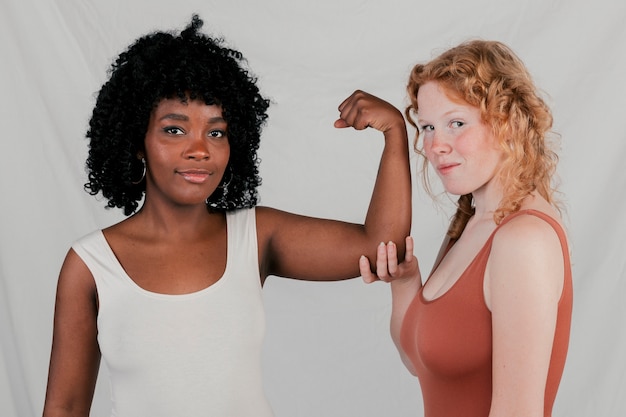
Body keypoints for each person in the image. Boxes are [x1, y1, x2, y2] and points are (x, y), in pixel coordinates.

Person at [41, 15, 411, 417]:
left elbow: (380, 248)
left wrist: (395, 133)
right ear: (136, 142)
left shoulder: (255, 236)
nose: (200, 149)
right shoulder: (92, 265)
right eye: (175, 130)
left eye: (216, 132)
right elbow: (65, 407)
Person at [359, 40, 572, 417]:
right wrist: (405, 282)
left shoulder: (523, 241)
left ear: (507, 122)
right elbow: (419, 362)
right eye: (427, 127)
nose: (435, 145)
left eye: (456, 123)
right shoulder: (471, 224)